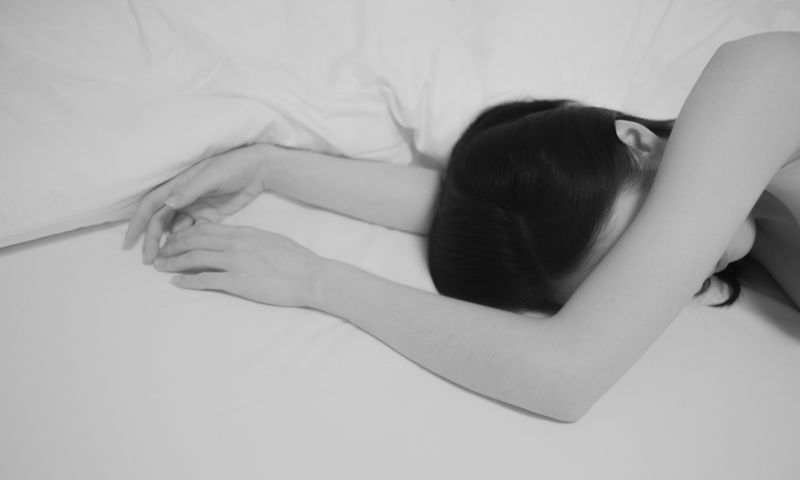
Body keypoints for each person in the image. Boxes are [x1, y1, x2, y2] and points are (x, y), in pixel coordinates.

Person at [124, 32, 800, 421]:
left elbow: (563, 374)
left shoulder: (763, 80)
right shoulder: (757, 215)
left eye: (657, 241)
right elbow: (476, 213)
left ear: (640, 143)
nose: (677, 266)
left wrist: (316, 279)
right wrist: (272, 167)